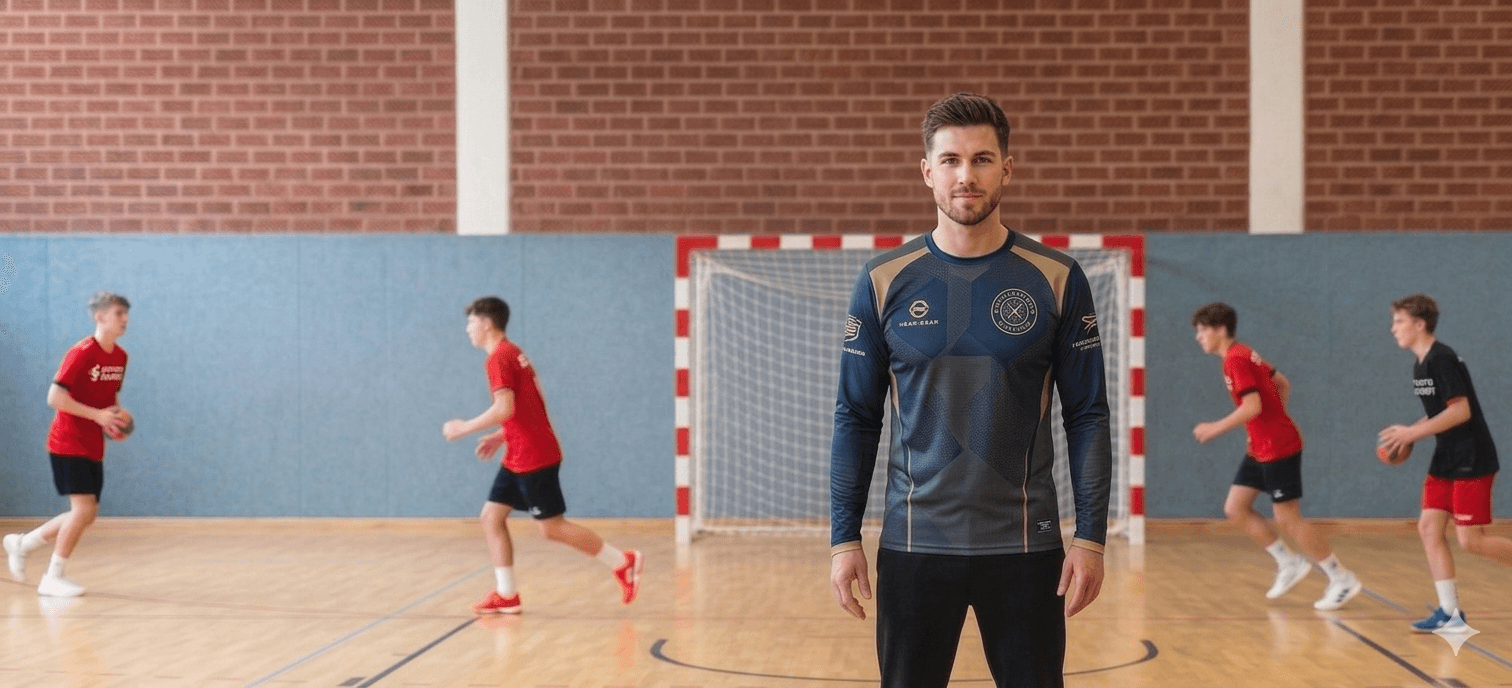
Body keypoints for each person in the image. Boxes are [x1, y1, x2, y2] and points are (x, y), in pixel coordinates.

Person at [828, 92, 1110, 688]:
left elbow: (1087, 415)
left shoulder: (1057, 279)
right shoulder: (882, 282)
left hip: (1027, 548)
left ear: (1008, 167)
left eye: (982, 159)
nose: (966, 175)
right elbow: (856, 416)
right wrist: (842, 538)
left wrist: (1090, 538)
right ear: (927, 171)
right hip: (913, 544)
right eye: (951, 160)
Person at [442, 296, 642, 614]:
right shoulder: (513, 352)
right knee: (491, 517)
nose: (467, 329)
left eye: (471, 322)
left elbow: (504, 407)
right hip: (519, 451)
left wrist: (463, 427)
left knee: (551, 527)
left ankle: (622, 561)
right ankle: (507, 595)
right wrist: (502, 434)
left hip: (534, 456)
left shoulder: (499, 358)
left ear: (487, 323)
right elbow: (529, 405)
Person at [1190, 303, 1362, 611]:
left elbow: (1252, 405)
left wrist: (1216, 428)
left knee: (1288, 518)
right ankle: (1289, 562)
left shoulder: (1236, 359)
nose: (1198, 337)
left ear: (1219, 329)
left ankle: (1342, 578)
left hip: (1278, 446)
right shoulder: (1243, 353)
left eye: (1202, 330)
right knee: (1236, 507)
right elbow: (1282, 382)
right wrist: (1264, 424)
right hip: (1260, 445)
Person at [1379, 293, 1512, 632]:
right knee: (1428, 528)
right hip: (1446, 457)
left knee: (1472, 541)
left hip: (1472, 456)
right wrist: (1408, 432)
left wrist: (1413, 435)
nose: (1393, 328)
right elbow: (1438, 413)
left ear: (1419, 324)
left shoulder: (1442, 359)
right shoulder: (1420, 364)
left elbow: (1460, 411)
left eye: (1399, 321)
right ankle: (1450, 613)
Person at [5, 291, 132, 597]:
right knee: (83, 509)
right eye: (118, 313)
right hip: (67, 440)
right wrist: (97, 415)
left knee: (86, 514)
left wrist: (114, 420)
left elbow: (109, 400)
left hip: (92, 443)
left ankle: (23, 544)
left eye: (126, 314)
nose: (125, 319)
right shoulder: (81, 352)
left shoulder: (120, 357)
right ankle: (53, 576)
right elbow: (55, 398)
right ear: (100, 316)